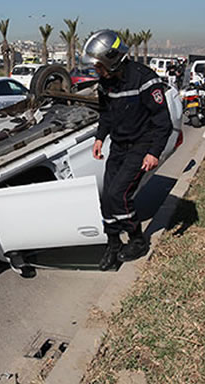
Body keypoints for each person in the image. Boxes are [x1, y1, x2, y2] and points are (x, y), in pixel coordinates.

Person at [82, 30, 173, 271]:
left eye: (98, 66)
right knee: (107, 198)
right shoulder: (105, 84)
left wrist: (154, 152)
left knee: (119, 195)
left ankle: (137, 240)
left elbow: (163, 122)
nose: (95, 71)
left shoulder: (144, 80)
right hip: (119, 146)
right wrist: (100, 138)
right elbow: (106, 115)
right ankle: (113, 242)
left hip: (141, 146)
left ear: (112, 60)